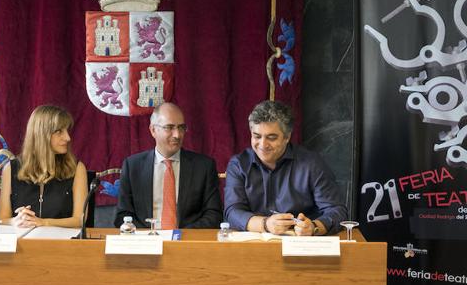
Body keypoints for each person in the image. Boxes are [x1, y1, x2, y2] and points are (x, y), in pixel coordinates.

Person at [224, 100, 347, 235]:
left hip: (301, 245)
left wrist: (314, 227)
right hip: (254, 243)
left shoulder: (312, 164)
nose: (263, 144)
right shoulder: (238, 164)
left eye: (271, 137)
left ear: (287, 137)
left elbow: (337, 211)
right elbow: (232, 212)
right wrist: (266, 224)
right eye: (257, 136)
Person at [114, 102, 222, 229]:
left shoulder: (204, 166)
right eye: (169, 127)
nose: (177, 135)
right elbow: (123, 215)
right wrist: (148, 237)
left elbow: (214, 215)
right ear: (153, 130)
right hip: (146, 242)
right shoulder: (133, 166)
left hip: (187, 242)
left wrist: (179, 236)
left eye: (181, 127)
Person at [0, 105, 87, 228]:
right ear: (41, 134)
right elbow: (2, 220)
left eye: (67, 130)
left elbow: (80, 220)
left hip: (62, 244)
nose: (68, 138)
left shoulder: (77, 168)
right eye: (59, 131)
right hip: (23, 243)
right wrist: (15, 221)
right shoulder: (10, 169)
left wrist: (44, 223)